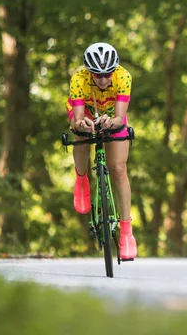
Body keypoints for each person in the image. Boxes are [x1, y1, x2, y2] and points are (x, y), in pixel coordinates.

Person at [65, 42, 137, 260]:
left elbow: (119, 118)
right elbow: (77, 120)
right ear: (89, 72)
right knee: (81, 137)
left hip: (111, 114)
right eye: (98, 75)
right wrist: (83, 124)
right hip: (85, 110)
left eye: (107, 74)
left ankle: (126, 233)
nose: (104, 80)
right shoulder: (79, 79)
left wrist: (111, 122)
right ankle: (82, 180)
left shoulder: (123, 77)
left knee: (119, 168)